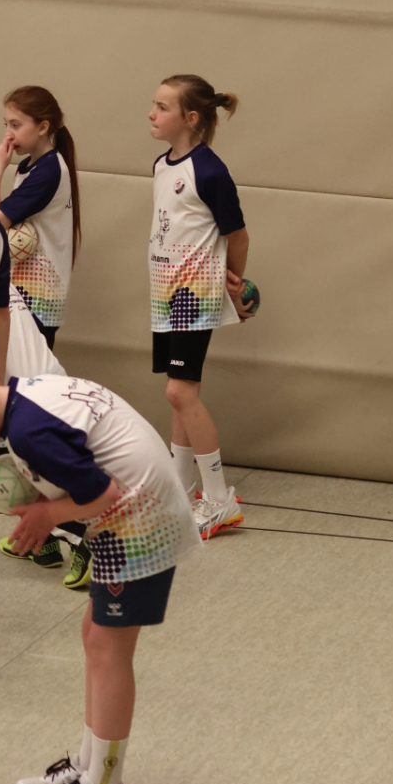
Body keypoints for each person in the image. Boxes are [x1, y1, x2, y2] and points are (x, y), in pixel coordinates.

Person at [0, 361, 201, 784]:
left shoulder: (28, 432)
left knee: (109, 650)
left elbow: (103, 493)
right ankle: (88, 766)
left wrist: (48, 514)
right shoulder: (28, 393)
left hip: (143, 520)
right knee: (94, 637)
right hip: (132, 511)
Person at [0, 85, 90, 585]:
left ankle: (83, 531)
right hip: (20, 301)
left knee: (28, 422)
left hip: (35, 303)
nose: (8, 134)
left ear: (43, 127)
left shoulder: (47, 170)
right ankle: (42, 537)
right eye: (5, 124)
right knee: (16, 424)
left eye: (16, 125)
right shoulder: (33, 166)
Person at [148, 74, 252, 539]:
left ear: (190, 118)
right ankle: (180, 488)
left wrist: (234, 283)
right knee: (178, 390)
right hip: (165, 295)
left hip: (195, 295)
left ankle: (218, 498)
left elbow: (238, 235)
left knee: (180, 392)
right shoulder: (161, 165)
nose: (152, 114)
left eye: (162, 107)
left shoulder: (209, 171)